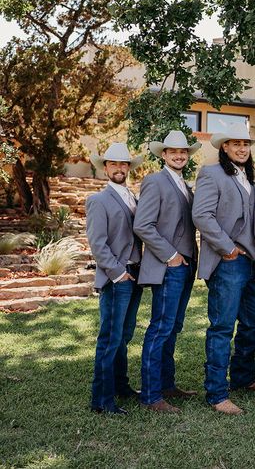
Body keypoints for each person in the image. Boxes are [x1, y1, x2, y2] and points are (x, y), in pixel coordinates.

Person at [192, 122, 255, 415]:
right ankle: (216, 393)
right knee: (222, 327)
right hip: (228, 262)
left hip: (252, 263)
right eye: (236, 144)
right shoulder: (212, 174)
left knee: (252, 322)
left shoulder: (250, 179)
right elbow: (202, 215)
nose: (242, 148)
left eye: (246, 144)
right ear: (224, 147)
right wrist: (228, 248)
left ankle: (243, 378)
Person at [134, 130, 200, 413]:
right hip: (168, 266)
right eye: (173, 151)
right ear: (163, 154)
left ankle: (167, 385)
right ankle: (150, 396)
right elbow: (143, 225)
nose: (179, 155)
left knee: (173, 327)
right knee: (160, 328)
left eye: (183, 151)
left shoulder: (185, 185)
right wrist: (171, 256)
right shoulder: (154, 181)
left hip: (185, 267)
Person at [87, 142, 144, 415]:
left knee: (124, 335)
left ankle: (121, 386)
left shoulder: (133, 196)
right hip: (117, 277)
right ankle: (102, 399)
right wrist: (118, 273)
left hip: (135, 274)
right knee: (110, 337)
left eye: (124, 164)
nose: (119, 168)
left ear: (129, 168)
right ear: (105, 168)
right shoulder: (98, 200)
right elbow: (98, 244)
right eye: (114, 164)